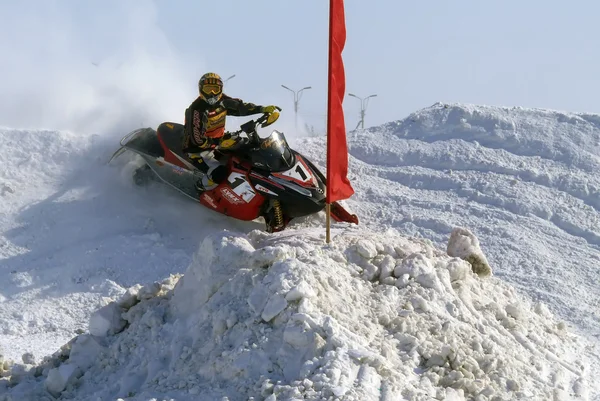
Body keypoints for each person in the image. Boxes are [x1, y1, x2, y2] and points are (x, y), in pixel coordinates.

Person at [182, 72, 279, 191]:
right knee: (219, 173)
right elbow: (197, 140)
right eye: (208, 89)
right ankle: (199, 188)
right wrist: (219, 142)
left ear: (220, 90)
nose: (212, 93)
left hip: (218, 143)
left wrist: (262, 109)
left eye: (215, 89)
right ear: (201, 90)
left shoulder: (223, 101)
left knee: (250, 149)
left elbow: (240, 107)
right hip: (199, 150)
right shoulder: (196, 110)